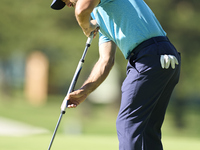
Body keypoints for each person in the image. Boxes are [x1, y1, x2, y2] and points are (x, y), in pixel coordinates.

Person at [50, 0, 181, 149]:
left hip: (148, 57)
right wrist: (85, 91)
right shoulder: (101, 14)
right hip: (166, 56)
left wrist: (87, 27)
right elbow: (105, 61)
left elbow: (81, 10)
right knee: (147, 130)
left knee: (127, 123)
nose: (67, 4)